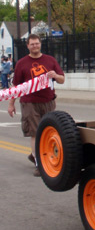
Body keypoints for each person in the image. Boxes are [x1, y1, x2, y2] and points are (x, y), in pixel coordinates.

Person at [7, 34, 65, 177]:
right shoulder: (22, 63)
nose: (35, 46)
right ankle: (39, 164)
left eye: (37, 43)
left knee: (49, 132)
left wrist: (55, 76)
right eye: (32, 44)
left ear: (40, 44)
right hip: (29, 102)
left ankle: (38, 156)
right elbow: (16, 85)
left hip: (48, 101)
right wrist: (11, 104)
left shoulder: (50, 60)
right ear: (27, 46)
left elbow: (62, 79)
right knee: (35, 132)